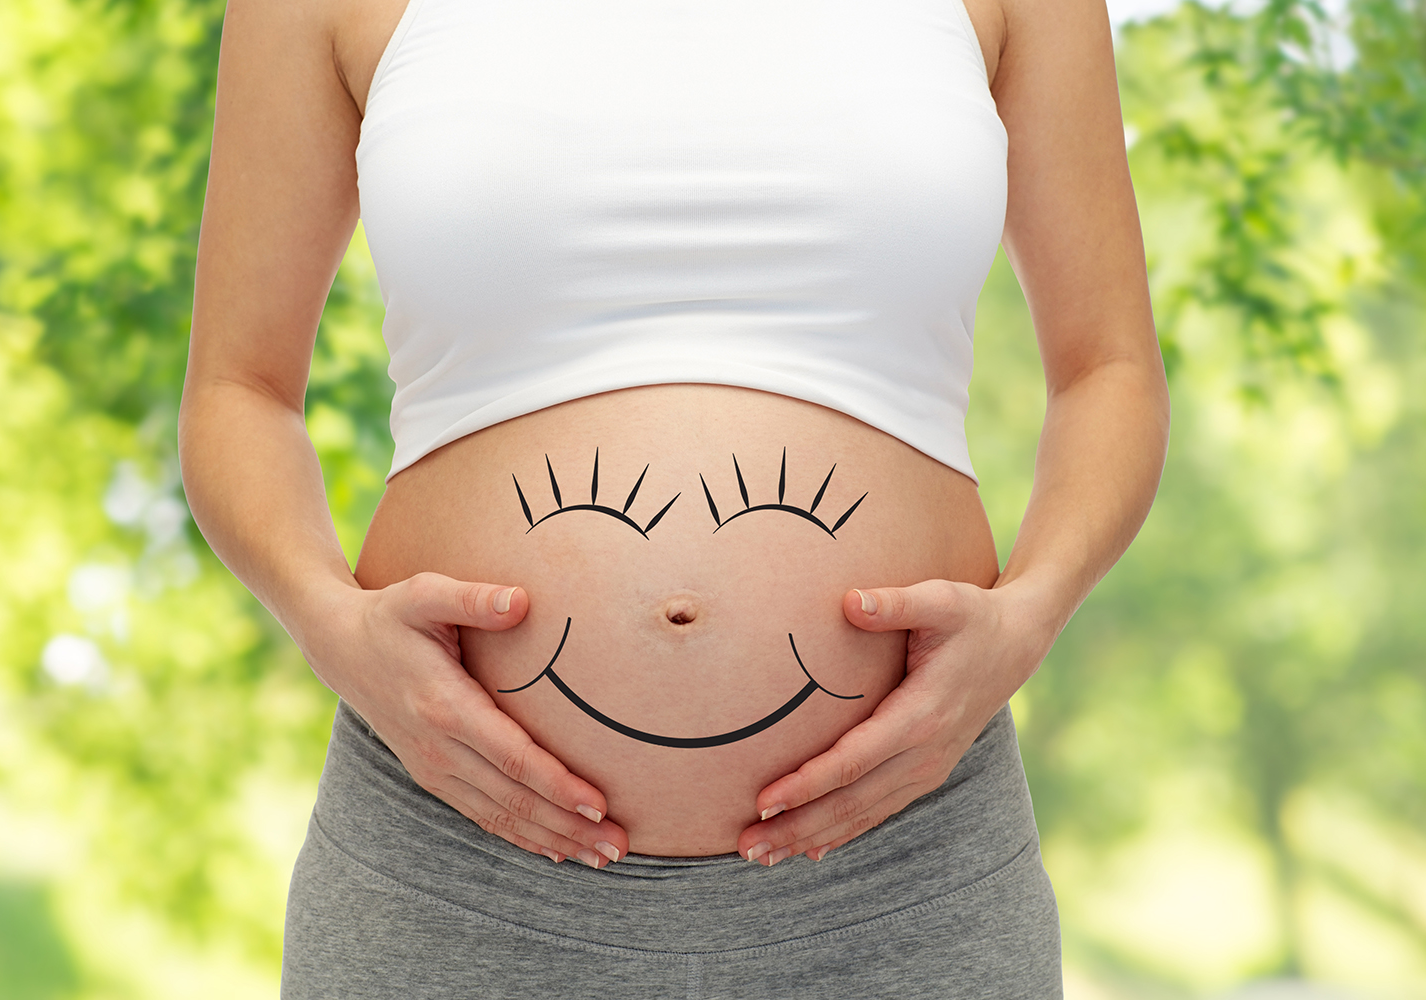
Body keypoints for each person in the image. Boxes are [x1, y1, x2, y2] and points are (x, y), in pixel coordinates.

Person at [179, 0, 1168, 993]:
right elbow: (239, 392)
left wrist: (1033, 612)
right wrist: (325, 619)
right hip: (455, 865)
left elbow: (1109, 370)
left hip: (899, 865)